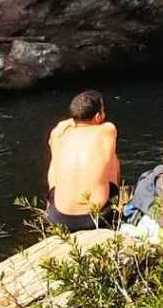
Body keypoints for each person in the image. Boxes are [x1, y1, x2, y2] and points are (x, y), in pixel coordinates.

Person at [46, 90, 120, 231]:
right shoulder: (108, 130)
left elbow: (62, 126)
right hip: (95, 217)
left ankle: (52, 204)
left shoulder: (57, 135)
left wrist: (73, 119)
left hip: (58, 218)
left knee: (55, 160)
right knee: (113, 160)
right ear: (98, 116)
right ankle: (116, 206)